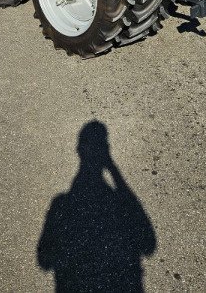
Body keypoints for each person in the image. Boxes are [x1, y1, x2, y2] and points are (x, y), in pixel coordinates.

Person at [38, 120, 156, 292]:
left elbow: (44, 261)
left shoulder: (61, 204)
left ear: (78, 151)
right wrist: (113, 170)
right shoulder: (117, 202)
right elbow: (148, 244)